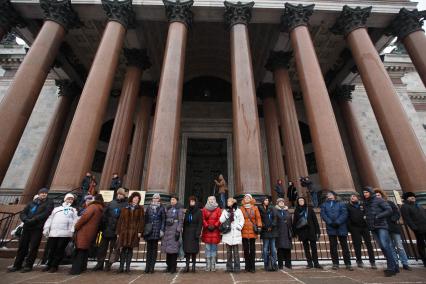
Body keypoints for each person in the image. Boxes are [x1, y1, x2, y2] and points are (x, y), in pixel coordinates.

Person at [8, 188, 54, 273]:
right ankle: (17, 265)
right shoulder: (31, 203)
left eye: (45, 193)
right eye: (42, 193)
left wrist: (35, 219)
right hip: (27, 227)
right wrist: (25, 219)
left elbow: (46, 213)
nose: (44, 194)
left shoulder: (49, 203)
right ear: (39, 194)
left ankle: (28, 265)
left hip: (37, 227)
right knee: (22, 247)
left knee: (33, 247)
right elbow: (23, 212)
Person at [362, 186, 397, 277]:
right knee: (382, 246)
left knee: (385, 245)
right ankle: (394, 266)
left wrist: (378, 216)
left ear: (370, 192)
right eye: (364, 192)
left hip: (381, 226)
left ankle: (391, 268)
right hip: (373, 227)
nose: (365, 194)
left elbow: (389, 210)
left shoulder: (379, 200)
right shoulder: (366, 202)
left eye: (366, 192)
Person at [374, 189, 411, 271]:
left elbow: (397, 213)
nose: (377, 197)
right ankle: (396, 263)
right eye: (376, 196)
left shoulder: (389, 203)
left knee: (399, 246)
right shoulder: (374, 206)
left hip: (393, 227)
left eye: (378, 195)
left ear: (382, 196)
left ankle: (405, 263)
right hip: (384, 228)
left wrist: (393, 219)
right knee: (391, 247)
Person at [42, 193, 78, 273]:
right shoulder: (56, 209)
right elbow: (50, 218)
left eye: (71, 199)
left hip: (65, 233)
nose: (70, 200)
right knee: (51, 249)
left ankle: (54, 265)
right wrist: (46, 228)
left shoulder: (73, 210)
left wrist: (72, 230)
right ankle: (49, 264)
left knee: (59, 250)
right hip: (54, 232)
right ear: (65, 199)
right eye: (68, 199)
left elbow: (75, 221)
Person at [93, 187, 127, 271]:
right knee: (102, 248)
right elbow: (104, 215)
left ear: (124, 195)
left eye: (121, 194)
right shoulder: (111, 203)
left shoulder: (126, 205)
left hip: (117, 230)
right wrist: (103, 226)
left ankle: (109, 263)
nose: (119, 196)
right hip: (107, 229)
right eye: (118, 194)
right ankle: (100, 263)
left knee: (114, 249)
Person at [70, 194, 104, 275]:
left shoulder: (92, 207)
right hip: (92, 231)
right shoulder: (100, 208)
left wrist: (76, 226)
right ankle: (83, 267)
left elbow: (85, 217)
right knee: (85, 250)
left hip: (84, 230)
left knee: (80, 250)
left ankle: (76, 269)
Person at [320, 191, 352, 270]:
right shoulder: (324, 205)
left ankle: (348, 263)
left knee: (344, 246)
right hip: (331, 227)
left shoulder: (341, 203)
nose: (329, 195)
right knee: (333, 246)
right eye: (328, 194)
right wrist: (330, 222)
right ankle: (335, 263)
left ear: (334, 195)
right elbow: (323, 214)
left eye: (330, 194)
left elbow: (344, 213)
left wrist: (338, 222)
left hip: (341, 226)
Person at [115, 191, 144, 273]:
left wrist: (140, 231)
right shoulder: (125, 208)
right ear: (132, 198)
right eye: (135, 198)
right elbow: (120, 220)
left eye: (138, 199)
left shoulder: (140, 208)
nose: (136, 200)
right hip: (124, 231)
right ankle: (121, 267)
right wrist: (118, 232)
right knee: (123, 249)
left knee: (130, 249)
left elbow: (141, 221)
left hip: (134, 231)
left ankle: (127, 267)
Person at [346, 193, 376, 269]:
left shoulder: (363, 205)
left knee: (369, 244)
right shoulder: (348, 206)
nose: (352, 197)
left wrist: (368, 224)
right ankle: (359, 260)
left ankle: (372, 261)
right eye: (351, 196)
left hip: (364, 227)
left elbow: (368, 214)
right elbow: (347, 217)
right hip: (355, 228)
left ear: (357, 198)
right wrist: (350, 228)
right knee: (357, 245)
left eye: (354, 196)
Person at [293, 197, 322, 269]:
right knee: (306, 248)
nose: (301, 201)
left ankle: (316, 263)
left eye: (302, 200)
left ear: (304, 201)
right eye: (299, 201)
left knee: (314, 248)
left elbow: (315, 220)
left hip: (311, 230)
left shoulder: (309, 209)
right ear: (298, 202)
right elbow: (295, 222)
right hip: (302, 231)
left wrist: (318, 231)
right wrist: (295, 232)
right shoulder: (297, 210)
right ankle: (309, 263)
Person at [401, 192, 426, 267]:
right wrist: (415, 228)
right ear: (406, 198)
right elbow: (407, 219)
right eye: (410, 196)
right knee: (421, 245)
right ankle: (424, 260)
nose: (412, 197)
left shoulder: (418, 205)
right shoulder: (405, 207)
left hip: (425, 226)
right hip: (418, 228)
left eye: (413, 196)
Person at [220, 197, 244, 273]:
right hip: (228, 233)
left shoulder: (238, 210)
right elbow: (221, 220)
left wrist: (239, 226)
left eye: (229, 201)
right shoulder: (225, 211)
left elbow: (242, 220)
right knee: (228, 252)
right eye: (227, 201)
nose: (228, 203)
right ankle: (229, 267)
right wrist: (226, 214)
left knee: (236, 252)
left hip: (235, 233)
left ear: (233, 202)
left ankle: (237, 268)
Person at [161, 195, 184, 274]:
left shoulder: (179, 209)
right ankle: (168, 266)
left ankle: (173, 267)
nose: (172, 201)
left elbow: (181, 221)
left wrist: (178, 230)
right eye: (171, 200)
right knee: (168, 250)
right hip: (167, 230)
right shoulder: (167, 208)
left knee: (173, 250)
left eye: (174, 199)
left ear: (177, 200)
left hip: (174, 230)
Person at [144, 193, 166, 273]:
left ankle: (152, 267)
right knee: (148, 250)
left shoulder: (161, 208)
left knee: (154, 250)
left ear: (159, 199)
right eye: (154, 198)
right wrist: (144, 230)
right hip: (149, 231)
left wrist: (162, 230)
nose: (155, 199)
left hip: (157, 230)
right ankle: (147, 267)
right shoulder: (148, 208)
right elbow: (145, 219)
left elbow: (163, 220)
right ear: (152, 199)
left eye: (157, 198)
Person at [240, 194, 262, 273]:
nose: (247, 198)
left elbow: (258, 217)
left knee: (252, 249)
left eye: (248, 197)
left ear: (251, 199)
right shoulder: (241, 208)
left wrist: (259, 226)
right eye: (245, 197)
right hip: (244, 230)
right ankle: (247, 266)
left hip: (252, 230)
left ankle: (252, 267)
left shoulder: (255, 207)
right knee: (246, 249)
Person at [183, 196, 202, 273]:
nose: (191, 203)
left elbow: (200, 223)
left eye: (193, 201)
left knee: (194, 250)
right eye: (190, 201)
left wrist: (198, 232)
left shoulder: (199, 211)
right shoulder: (187, 211)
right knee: (187, 250)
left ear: (195, 202)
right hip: (187, 232)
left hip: (194, 232)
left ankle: (193, 265)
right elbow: (185, 223)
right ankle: (187, 265)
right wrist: (183, 232)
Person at [202, 196, 222, 271]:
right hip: (207, 231)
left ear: (215, 200)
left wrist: (215, 225)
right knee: (207, 248)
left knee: (213, 248)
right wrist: (207, 226)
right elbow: (203, 218)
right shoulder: (204, 209)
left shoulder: (218, 209)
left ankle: (213, 264)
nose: (211, 200)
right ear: (207, 200)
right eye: (210, 199)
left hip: (215, 231)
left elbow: (220, 218)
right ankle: (208, 264)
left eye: (213, 199)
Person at [259, 196, 278, 271]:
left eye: (267, 200)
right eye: (265, 200)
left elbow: (275, 218)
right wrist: (265, 226)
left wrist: (272, 226)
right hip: (265, 230)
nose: (266, 201)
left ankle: (274, 264)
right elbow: (259, 219)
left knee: (273, 248)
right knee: (265, 248)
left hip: (272, 230)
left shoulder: (272, 208)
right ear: (262, 201)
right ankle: (266, 264)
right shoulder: (260, 208)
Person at [275, 198, 293, 269]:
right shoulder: (276, 211)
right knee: (280, 249)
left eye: (282, 202)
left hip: (287, 231)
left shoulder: (287, 211)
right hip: (279, 231)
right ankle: (280, 264)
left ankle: (288, 264)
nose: (281, 203)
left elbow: (290, 220)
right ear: (277, 203)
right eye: (280, 202)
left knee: (287, 248)